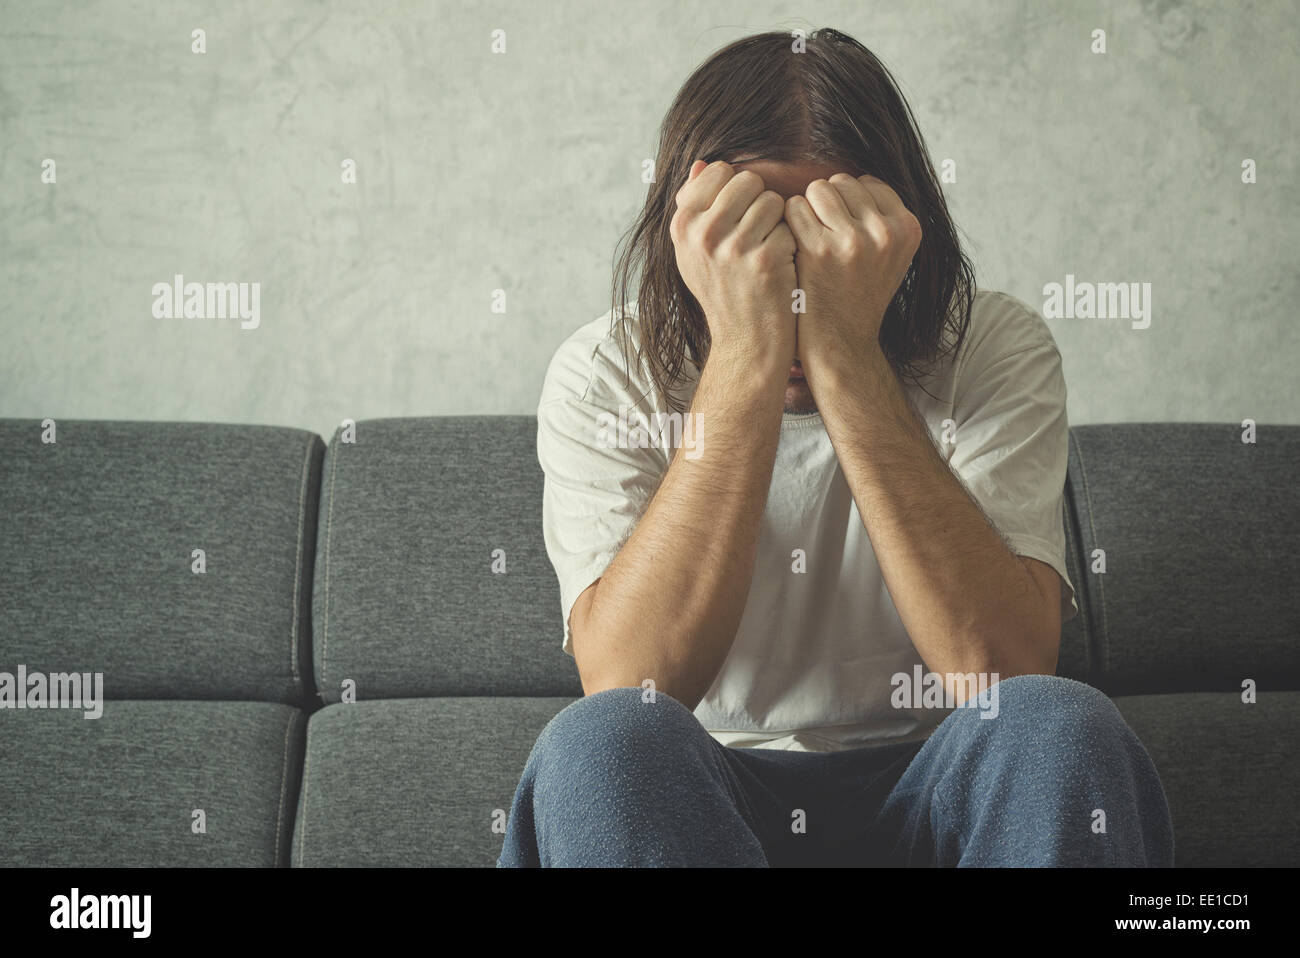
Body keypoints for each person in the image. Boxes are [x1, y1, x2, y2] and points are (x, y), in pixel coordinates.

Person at [499, 27, 1173, 867]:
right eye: (756, 246)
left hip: (939, 789)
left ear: (893, 235)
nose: (790, 287)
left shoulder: (994, 347)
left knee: (1060, 723)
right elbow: (635, 680)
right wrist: (745, 353)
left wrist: (848, 354)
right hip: (707, 798)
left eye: (825, 246)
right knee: (599, 744)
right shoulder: (607, 372)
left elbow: (1001, 670)